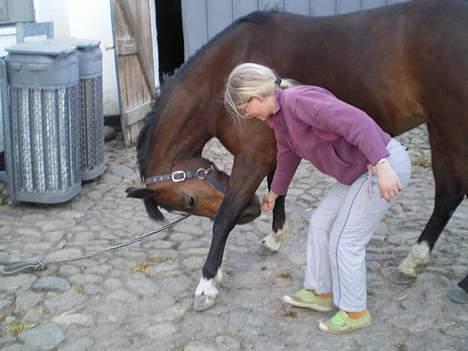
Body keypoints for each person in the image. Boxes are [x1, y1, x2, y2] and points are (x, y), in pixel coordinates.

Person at [224, 63, 412, 334]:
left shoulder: (300, 100)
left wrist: (382, 164)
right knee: (321, 222)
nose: (245, 114)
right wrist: (275, 193)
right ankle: (320, 292)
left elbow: (357, 121)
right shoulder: (278, 118)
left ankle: (355, 311)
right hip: (360, 170)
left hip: (381, 163)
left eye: (243, 108)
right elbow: (288, 155)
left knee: (345, 239)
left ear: (254, 98)